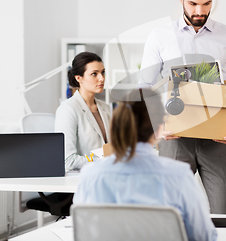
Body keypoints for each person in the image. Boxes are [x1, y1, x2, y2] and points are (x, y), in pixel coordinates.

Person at [138, 0, 226, 214]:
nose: (200, 11)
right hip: (174, 138)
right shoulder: (160, 37)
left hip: (216, 136)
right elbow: (145, 86)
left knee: (225, 213)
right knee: (170, 214)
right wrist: (158, 124)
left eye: (207, 3)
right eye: (193, 4)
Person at [73, 89, 217, 241]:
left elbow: (85, 232)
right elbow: (203, 236)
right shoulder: (178, 175)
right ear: (160, 127)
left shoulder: (91, 175)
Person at [55, 52, 111, 170]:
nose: (101, 78)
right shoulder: (68, 110)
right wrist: (102, 160)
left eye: (103, 72)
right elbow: (67, 160)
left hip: (108, 175)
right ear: (79, 78)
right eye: (94, 74)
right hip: (83, 179)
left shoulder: (105, 108)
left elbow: (112, 148)